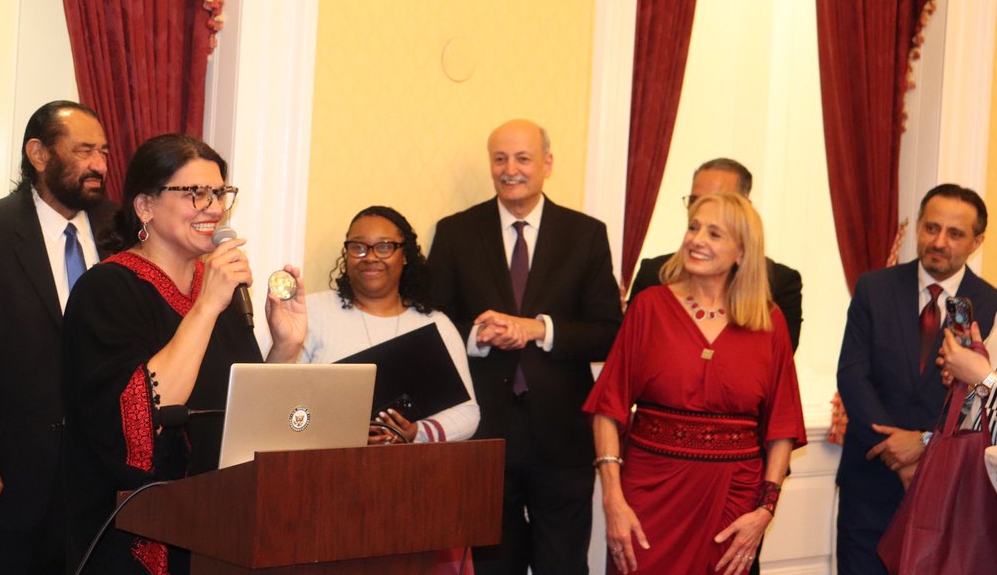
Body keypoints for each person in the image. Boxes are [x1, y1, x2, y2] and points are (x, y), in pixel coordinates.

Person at [61, 133, 306, 574]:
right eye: (195, 193)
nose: (213, 207)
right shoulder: (107, 288)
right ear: (145, 206)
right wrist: (207, 306)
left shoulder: (218, 289)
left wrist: (285, 346)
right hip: (134, 535)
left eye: (220, 193)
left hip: (221, 526)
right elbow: (139, 422)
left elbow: (244, 413)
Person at [427, 119, 623, 574]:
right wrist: (478, 336)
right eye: (500, 159)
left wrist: (539, 329)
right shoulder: (457, 232)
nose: (510, 169)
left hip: (562, 438)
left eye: (522, 158)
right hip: (485, 434)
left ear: (547, 164)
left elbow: (609, 332)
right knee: (494, 567)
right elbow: (433, 325)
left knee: (563, 565)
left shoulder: (586, 234)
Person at [0, 100, 114, 574]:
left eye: (105, 152)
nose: (100, 165)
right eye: (85, 151)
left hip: (109, 480)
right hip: (18, 482)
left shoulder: (123, 234)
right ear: (39, 153)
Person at [587, 193, 804, 574]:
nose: (696, 239)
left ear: (741, 252)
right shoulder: (649, 307)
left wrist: (765, 511)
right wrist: (613, 499)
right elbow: (608, 407)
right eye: (693, 227)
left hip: (733, 503)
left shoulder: (769, 322)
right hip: (648, 499)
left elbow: (782, 426)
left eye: (714, 233)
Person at [836, 183, 997, 574]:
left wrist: (923, 445)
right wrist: (894, 450)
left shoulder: (990, 303)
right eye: (931, 227)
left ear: (977, 241)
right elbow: (853, 375)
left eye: (954, 233)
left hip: (946, 494)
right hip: (871, 480)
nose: (938, 241)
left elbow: (978, 402)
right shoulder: (874, 288)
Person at [301, 205, 479, 443]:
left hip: (407, 471)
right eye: (358, 247)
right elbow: (284, 401)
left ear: (404, 255)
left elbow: (468, 413)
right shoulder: (313, 311)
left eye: (384, 246)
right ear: (347, 254)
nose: (371, 256)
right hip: (324, 466)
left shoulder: (435, 324)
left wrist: (417, 433)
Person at [628, 157, 803, 351]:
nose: (703, 209)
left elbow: (778, 367)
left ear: (745, 209)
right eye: (695, 200)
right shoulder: (654, 276)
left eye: (719, 201)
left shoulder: (780, 284)